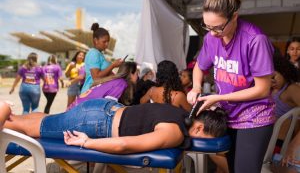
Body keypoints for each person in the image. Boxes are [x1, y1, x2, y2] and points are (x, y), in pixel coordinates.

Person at [187, 0, 275, 173]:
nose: (213, 33)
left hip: (254, 115)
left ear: (234, 16)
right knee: (232, 168)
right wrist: (195, 87)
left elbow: (262, 89)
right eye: (207, 26)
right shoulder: (211, 38)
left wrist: (219, 97)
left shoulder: (255, 40)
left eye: (218, 27)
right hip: (229, 114)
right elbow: (199, 67)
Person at [0, 98, 227, 154]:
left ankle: (9, 117)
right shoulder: (175, 132)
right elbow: (123, 145)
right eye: (207, 138)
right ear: (198, 129)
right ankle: (3, 111)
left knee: (45, 120)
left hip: (104, 109)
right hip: (97, 123)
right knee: (32, 129)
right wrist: (87, 142)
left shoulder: (179, 112)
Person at [67, 61, 138, 110]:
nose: (138, 77)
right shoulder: (121, 83)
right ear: (131, 74)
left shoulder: (113, 80)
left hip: (74, 110)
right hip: (76, 114)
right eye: (137, 74)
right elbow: (108, 108)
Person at [81, 23, 123, 93]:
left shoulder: (99, 54)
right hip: (90, 93)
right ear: (96, 40)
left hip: (97, 92)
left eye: (108, 42)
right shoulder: (93, 53)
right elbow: (96, 78)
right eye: (104, 42)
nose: (107, 44)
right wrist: (113, 65)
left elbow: (107, 74)